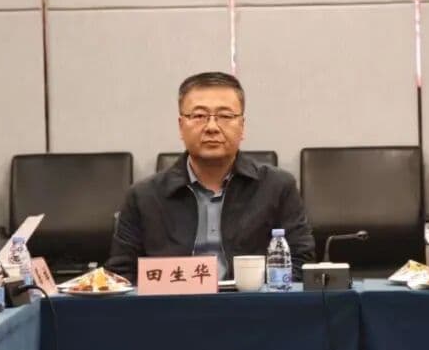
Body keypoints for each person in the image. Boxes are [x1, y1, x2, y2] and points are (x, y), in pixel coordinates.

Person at [108, 72, 315, 282]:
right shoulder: (143, 197)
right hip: (172, 302)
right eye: (199, 116)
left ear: (242, 126)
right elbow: (121, 275)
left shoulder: (277, 188)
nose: (212, 127)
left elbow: (301, 264)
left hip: (252, 301)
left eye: (225, 116)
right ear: (181, 126)